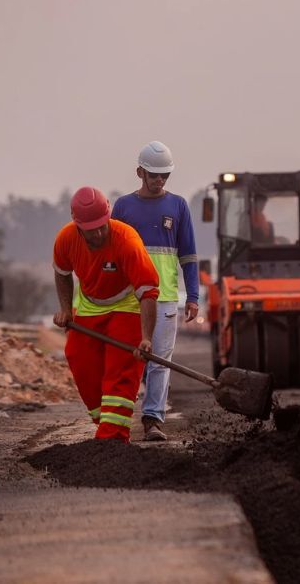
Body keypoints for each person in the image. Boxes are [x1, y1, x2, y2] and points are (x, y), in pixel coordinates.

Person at [51, 186, 160, 443]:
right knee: (77, 355)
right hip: (90, 303)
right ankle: (107, 421)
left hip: (126, 304)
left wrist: (145, 337)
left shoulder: (127, 241)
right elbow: (61, 273)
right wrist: (66, 309)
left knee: (120, 367)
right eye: (91, 229)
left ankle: (113, 437)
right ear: (77, 225)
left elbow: (148, 293)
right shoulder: (65, 239)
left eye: (102, 225)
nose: (99, 233)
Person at [111, 140, 199, 442]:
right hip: (129, 298)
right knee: (130, 359)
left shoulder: (178, 206)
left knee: (160, 359)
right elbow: (111, 255)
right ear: (140, 172)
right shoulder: (123, 207)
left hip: (164, 298)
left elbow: (188, 256)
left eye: (164, 175)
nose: (159, 180)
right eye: (153, 174)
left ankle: (152, 419)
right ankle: (117, 419)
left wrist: (194, 297)